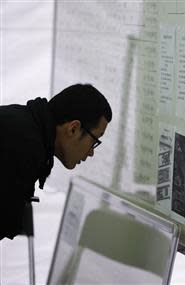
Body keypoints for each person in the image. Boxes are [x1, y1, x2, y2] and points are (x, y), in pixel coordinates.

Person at [0, 84, 112, 240]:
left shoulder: (23, 123)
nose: (91, 152)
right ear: (73, 128)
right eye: (94, 141)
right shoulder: (24, 146)